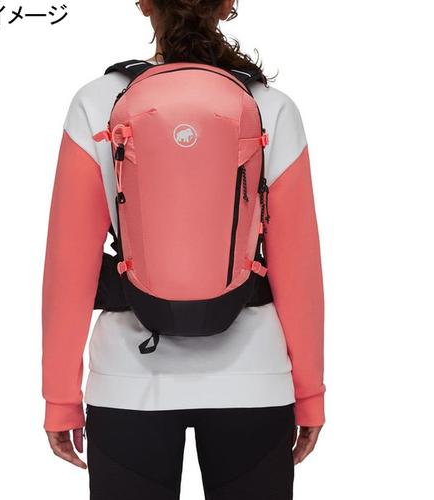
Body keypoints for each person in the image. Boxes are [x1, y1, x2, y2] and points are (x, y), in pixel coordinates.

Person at [42, 1, 325, 498]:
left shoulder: (96, 101)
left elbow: (70, 265)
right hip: (254, 382)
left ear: (143, 3)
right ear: (228, 5)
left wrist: (60, 399)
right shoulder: (271, 106)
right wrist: (309, 395)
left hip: (129, 381)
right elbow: (298, 268)